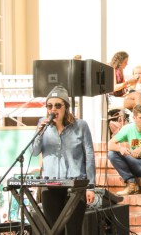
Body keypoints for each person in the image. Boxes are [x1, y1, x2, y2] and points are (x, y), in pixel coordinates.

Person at [31, 85, 95, 235]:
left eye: (58, 105)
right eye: (49, 106)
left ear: (66, 107)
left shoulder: (81, 126)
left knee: (73, 230)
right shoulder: (43, 124)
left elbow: (90, 157)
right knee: (53, 231)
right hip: (50, 186)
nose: (53, 109)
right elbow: (34, 152)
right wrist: (40, 133)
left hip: (76, 187)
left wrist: (90, 186)